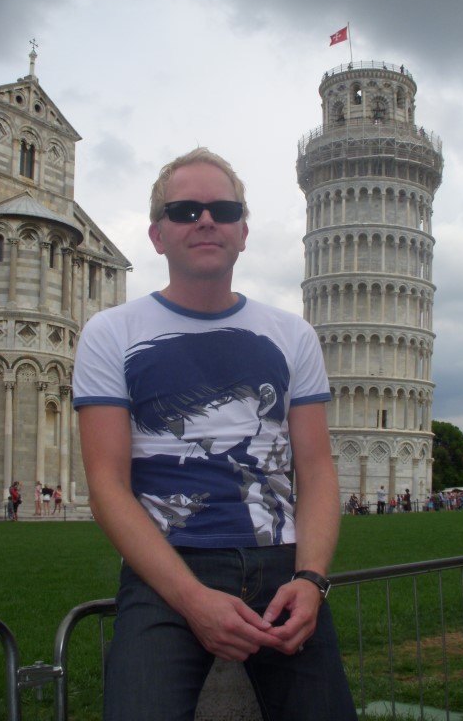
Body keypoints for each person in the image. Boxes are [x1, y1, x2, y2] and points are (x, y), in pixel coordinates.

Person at [73, 148, 357, 721]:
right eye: (184, 210)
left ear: (243, 233)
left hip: (283, 565)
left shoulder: (293, 335)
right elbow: (107, 486)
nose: (205, 221)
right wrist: (191, 599)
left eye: (223, 210)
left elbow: (317, 469)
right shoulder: (109, 334)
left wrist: (311, 580)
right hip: (167, 569)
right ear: (157, 235)